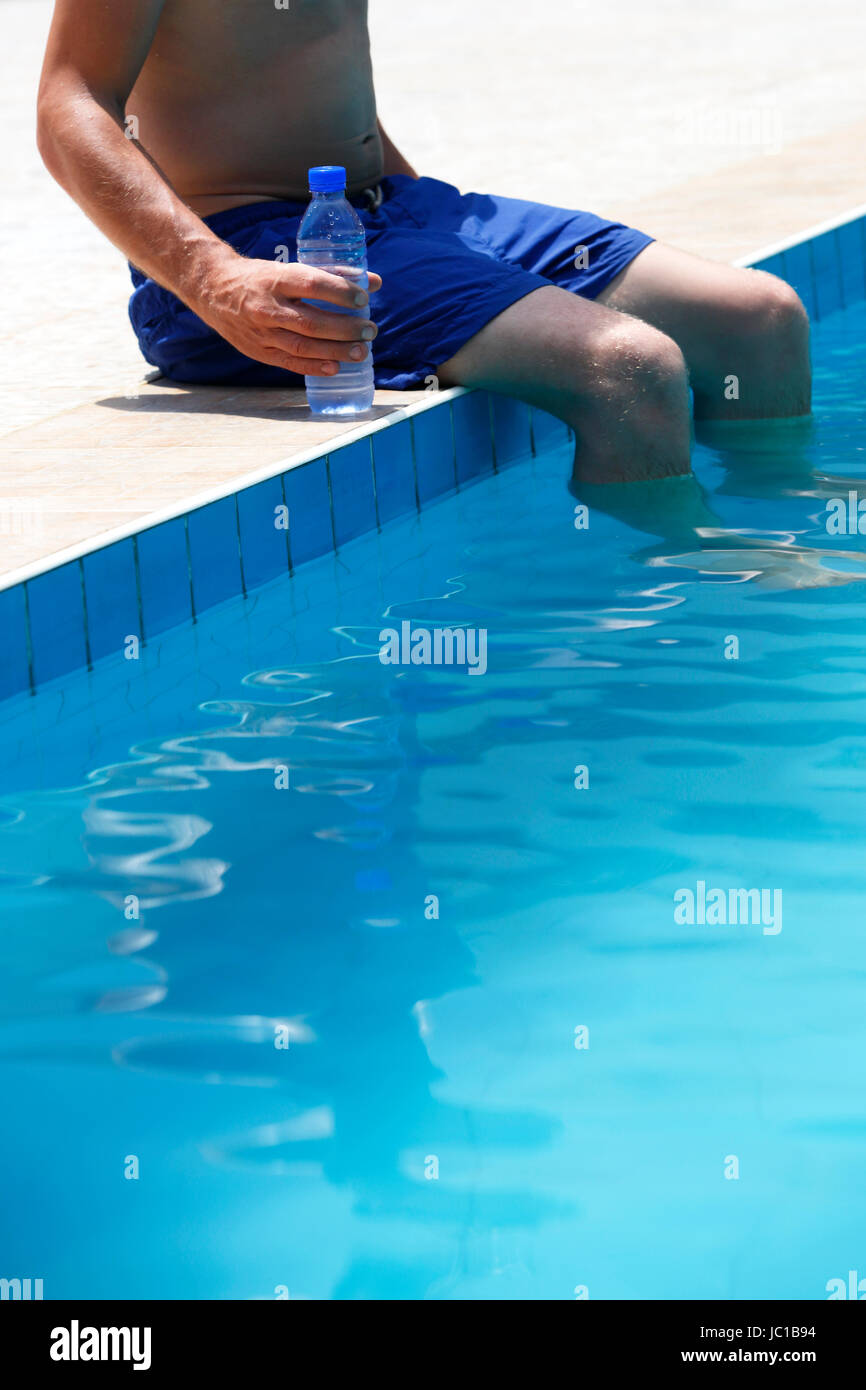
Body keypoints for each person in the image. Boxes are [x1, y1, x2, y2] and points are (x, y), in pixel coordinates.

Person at [37, 0, 811, 484]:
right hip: (256, 249)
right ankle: (663, 650)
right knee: (629, 368)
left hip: (394, 210)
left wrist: (430, 230)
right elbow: (67, 102)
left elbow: (302, 71)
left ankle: (770, 575)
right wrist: (213, 278)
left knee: (758, 319)